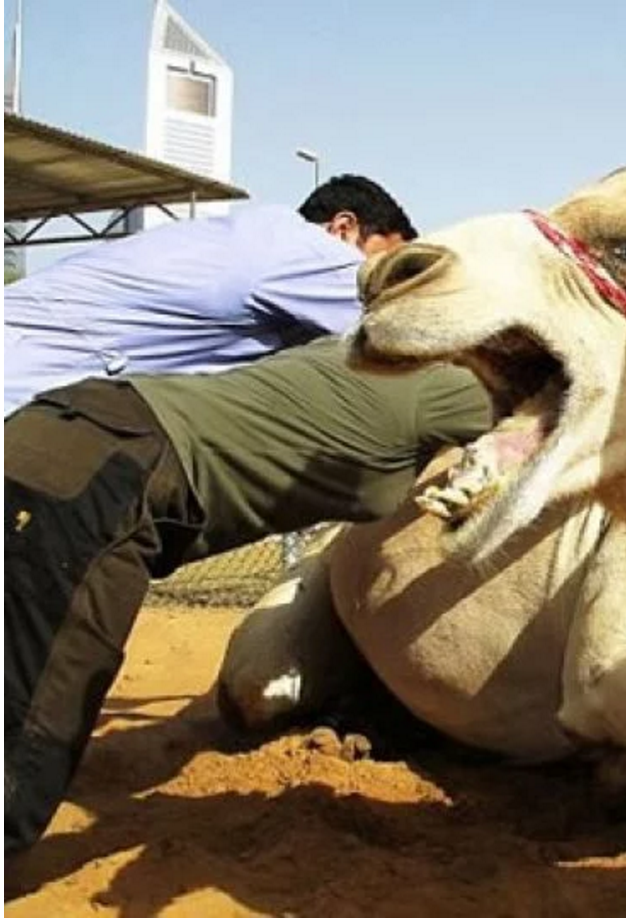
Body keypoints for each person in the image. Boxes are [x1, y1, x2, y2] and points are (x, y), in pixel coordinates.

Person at [4, 337, 493, 854]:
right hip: (110, 473)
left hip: (59, 422)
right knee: (39, 724)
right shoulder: (449, 383)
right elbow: (568, 419)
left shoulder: (344, 346)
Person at [4, 173, 415, 415]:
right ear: (343, 228)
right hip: (24, 377)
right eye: (386, 263)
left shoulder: (251, 235)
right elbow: (404, 328)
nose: (385, 279)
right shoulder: (305, 250)